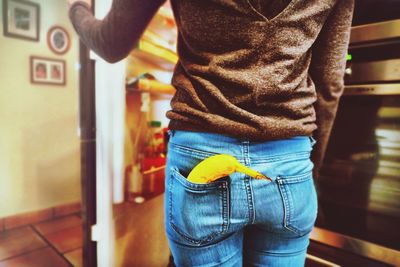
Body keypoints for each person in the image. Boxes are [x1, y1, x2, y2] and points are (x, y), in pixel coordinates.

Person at [68, 0, 354, 266]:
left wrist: (76, 9)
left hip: (201, 156)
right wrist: (308, 169)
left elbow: (110, 43)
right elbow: (329, 83)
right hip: (290, 161)